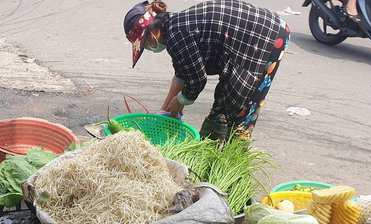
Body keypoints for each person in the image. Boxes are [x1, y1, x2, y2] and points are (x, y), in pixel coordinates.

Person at [123, 0, 290, 142]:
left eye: (144, 45)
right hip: (249, 40)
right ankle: (210, 148)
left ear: (151, 34)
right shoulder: (173, 28)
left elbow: (197, 81)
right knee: (224, 101)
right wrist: (165, 110)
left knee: (241, 106)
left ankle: (235, 162)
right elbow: (181, 74)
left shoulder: (177, 34)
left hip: (268, 36)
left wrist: (180, 101)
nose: (149, 49)